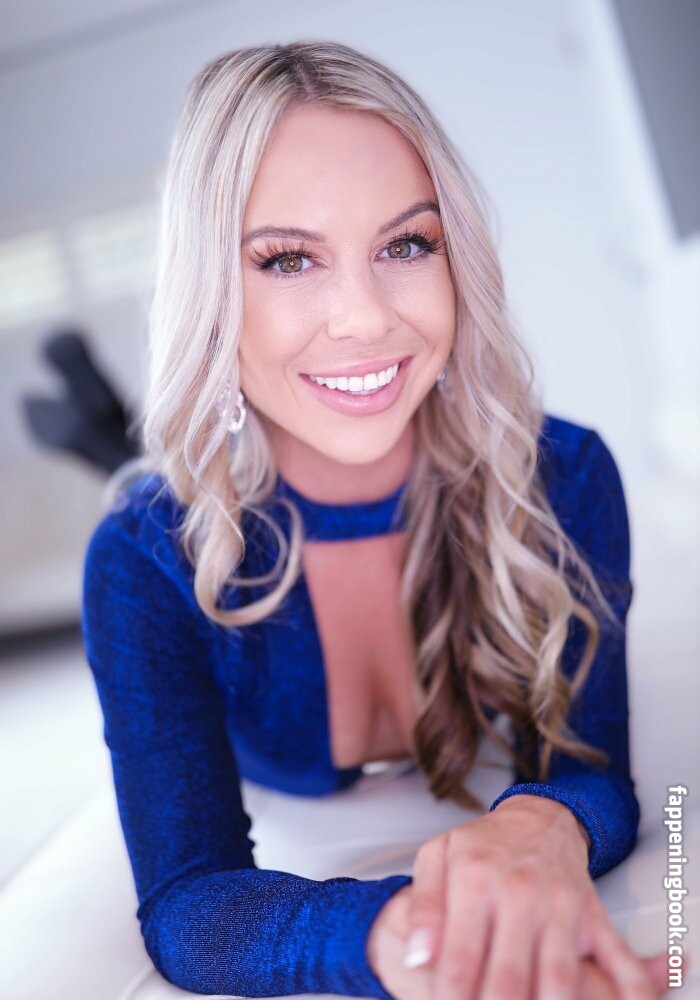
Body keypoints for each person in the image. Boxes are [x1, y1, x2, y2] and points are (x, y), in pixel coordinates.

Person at [81, 41, 674, 1000]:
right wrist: (399, 934)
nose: (364, 318)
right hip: (211, 489)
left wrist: (540, 825)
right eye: (287, 259)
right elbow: (189, 903)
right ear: (211, 288)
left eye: (407, 245)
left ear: (456, 255)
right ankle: (95, 427)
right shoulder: (141, 557)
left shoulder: (562, 477)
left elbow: (592, 771)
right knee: (140, 481)